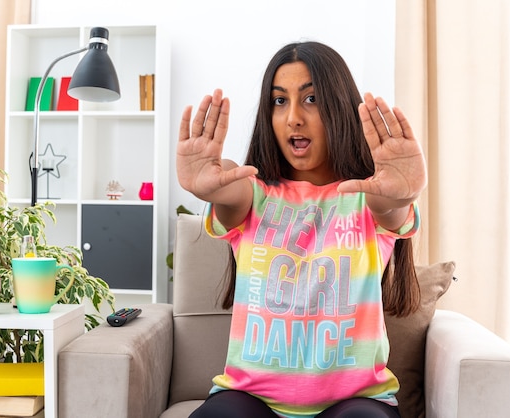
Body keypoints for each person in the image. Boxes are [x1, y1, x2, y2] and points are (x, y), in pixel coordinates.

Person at [176, 41, 427, 418]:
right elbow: (228, 188)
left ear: (339, 107)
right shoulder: (252, 194)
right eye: (279, 101)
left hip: (355, 404)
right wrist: (204, 183)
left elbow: (390, 207)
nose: (293, 116)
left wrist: (401, 194)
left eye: (310, 99)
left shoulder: (367, 197)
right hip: (249, 400)